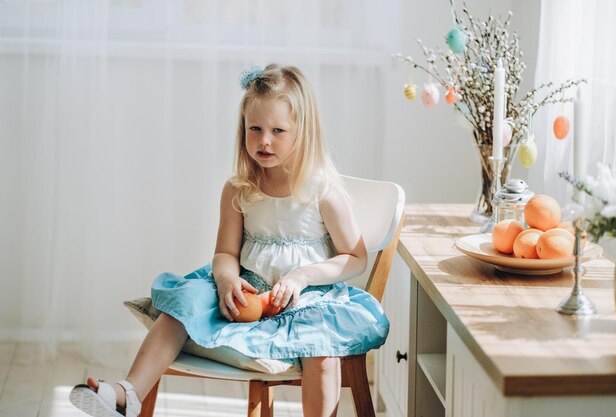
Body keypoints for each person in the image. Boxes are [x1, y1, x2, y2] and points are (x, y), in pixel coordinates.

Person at [69, 63, 389, 417]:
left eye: (277, 130)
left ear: (303, 132)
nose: (264, 140)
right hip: (248, 290)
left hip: (306, 298)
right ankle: (127, 393)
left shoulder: (322, 190)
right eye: (255, 129)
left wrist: (303, 276)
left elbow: (355, 257)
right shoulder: (239, 189)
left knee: (322, 350)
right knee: (182, 306)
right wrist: (225, 280)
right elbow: (225, 252)